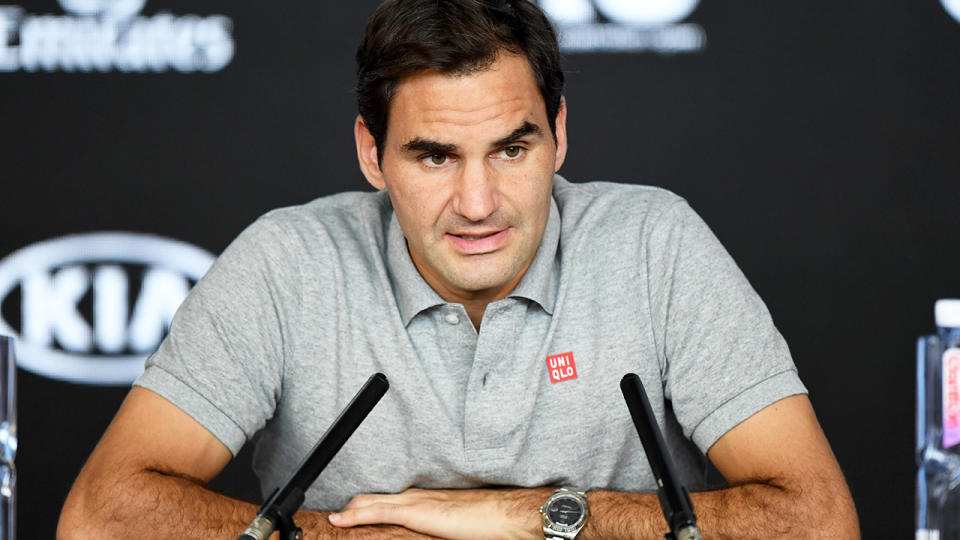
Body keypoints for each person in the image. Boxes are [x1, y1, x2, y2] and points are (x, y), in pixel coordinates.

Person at [58, 0, 859, 538]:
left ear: (560, 135)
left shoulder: (655, 243)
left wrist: (532, 519)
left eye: (513, 149)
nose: (478, 203)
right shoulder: (289, 260)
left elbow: (820, 519)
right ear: (372, 154)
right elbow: (98, 516)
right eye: (435, 156)